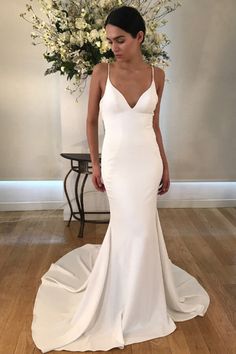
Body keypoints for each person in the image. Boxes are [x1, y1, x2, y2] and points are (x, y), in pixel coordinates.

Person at [31, 6, 210, 353]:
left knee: (142, 227)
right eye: (110, 40)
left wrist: (166, 165)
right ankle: (122, 296)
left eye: (121, 40)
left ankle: (143, 299)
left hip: (147, 162)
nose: (113, 46)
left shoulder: (158, 75)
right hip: (115, 163)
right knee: (130, 227)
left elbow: (155, 125)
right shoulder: (101, 71)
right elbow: (90, 121)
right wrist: (96, 164)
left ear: (139, 37)